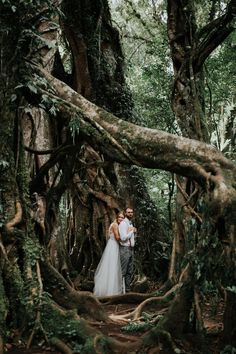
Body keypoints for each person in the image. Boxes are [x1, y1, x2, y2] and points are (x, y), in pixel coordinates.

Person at [93, 212, 124, 297]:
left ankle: (110, 288)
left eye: (123, 218)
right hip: (113, 246)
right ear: (117, 217)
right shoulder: (115, 225)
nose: (121, 219)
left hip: (112, 245)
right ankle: (110, 291)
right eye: (120, 217)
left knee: (112, 266)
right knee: (112, 266)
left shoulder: (114, 224)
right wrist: (127, 236)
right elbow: (117, 237)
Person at [118, 207, 137, 293]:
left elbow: (132, 237)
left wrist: (134, 232)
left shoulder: (130, 224)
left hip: (131, 249)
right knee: (123, 271)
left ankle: (128, 289)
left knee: (130, 270)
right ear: (125, 213)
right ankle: (121, 290)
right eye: (128, 212)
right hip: (124, 249)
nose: (130, 214)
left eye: (131, 212)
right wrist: (131, 232)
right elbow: (123, 238)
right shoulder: (123, 224)